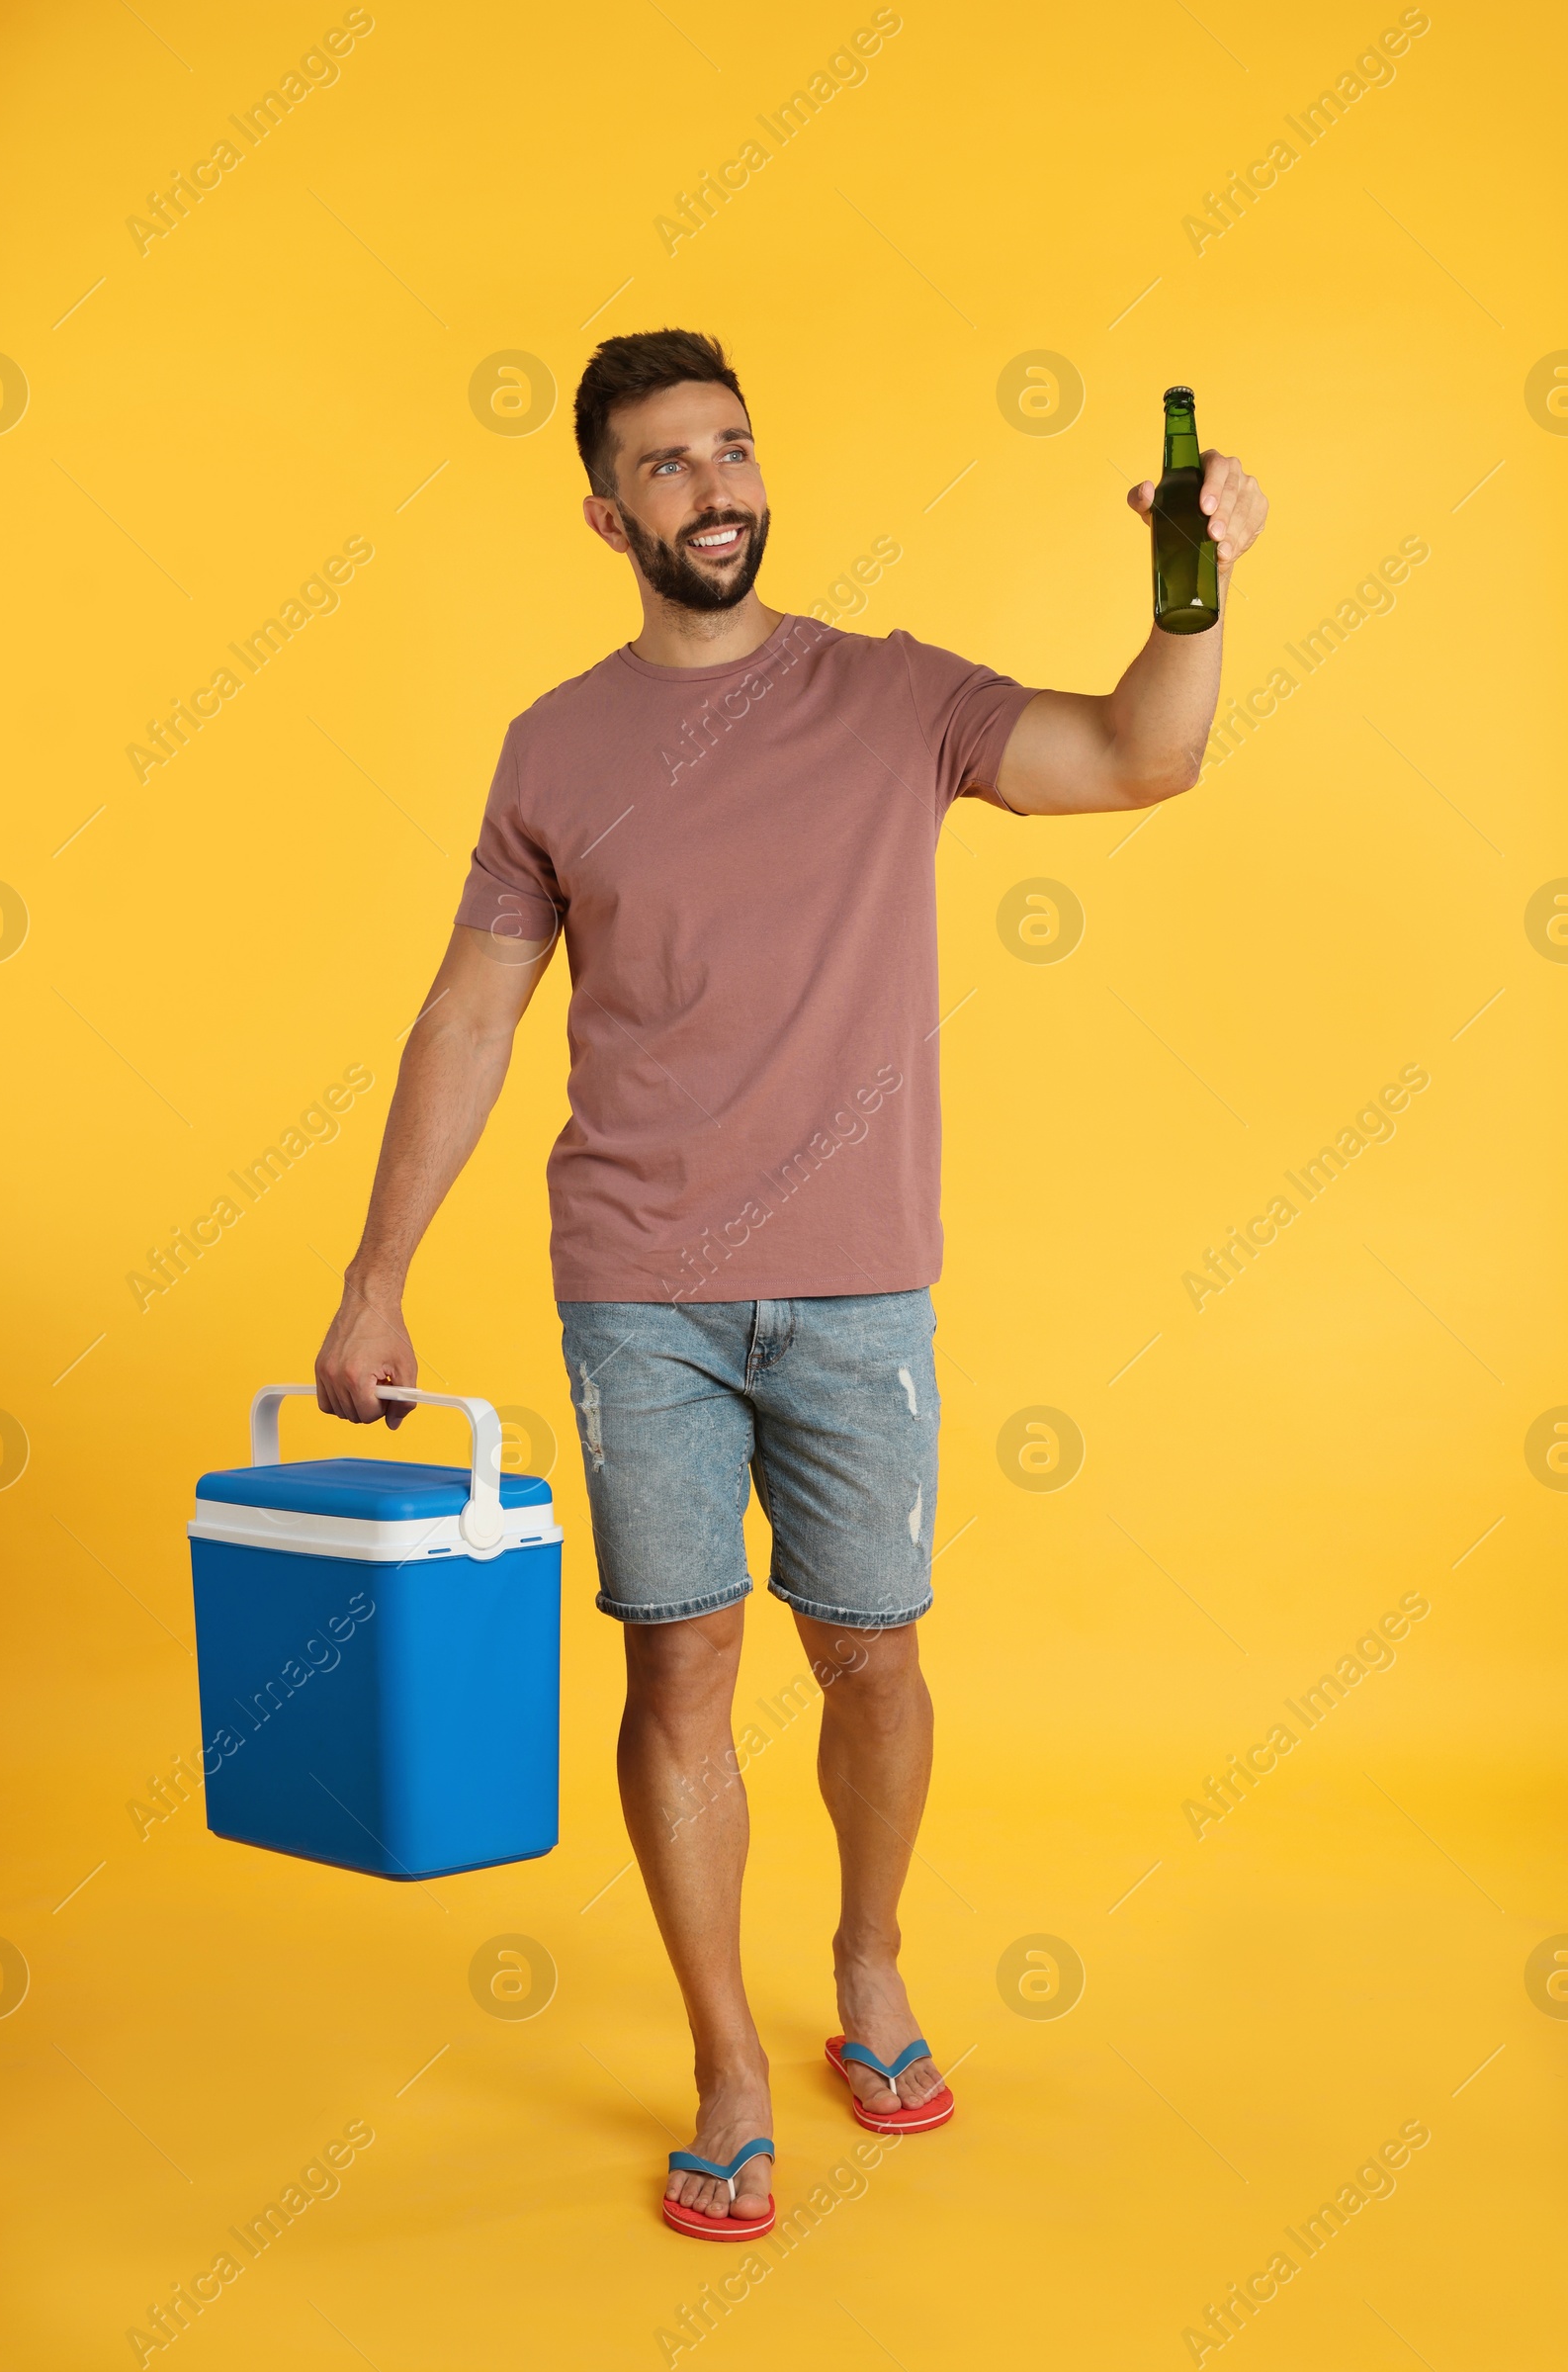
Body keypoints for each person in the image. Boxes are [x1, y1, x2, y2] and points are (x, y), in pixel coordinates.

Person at [314, 327, 1267, 2238]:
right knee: (681, 1662)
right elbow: (473, 1010)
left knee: (876, 1658)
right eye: (668, 464)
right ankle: (728, 2064)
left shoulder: (891, 696)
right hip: (637, 1288)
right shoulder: (552, 747)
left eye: (733, 447)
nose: (715, 484)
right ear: (608, 511)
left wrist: (1196, 594)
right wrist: (376, 1275)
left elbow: (1144, 758)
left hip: (859, 1290)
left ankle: (869, 1960)